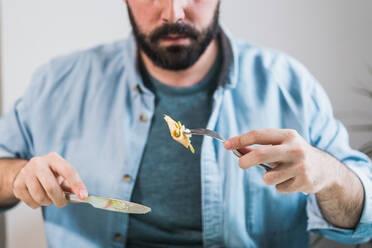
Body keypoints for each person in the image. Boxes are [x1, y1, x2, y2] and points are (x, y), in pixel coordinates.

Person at [0, 0, 371, 247]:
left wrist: (331, 175)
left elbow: (364, 218)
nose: (174, 12)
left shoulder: (288, 85)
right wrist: (20, 175)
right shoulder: (59, 84)